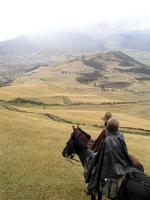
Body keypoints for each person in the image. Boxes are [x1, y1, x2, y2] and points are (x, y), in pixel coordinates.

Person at [86, 118, 137, 199]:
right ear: (117, 128)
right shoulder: (120, 135)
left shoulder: (108, 140)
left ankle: (92, 189)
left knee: (95, 172)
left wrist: (91, 154)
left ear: (108, 128)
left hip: (113, 169)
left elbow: (100, 156)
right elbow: (124, 150)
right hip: (122, 163)